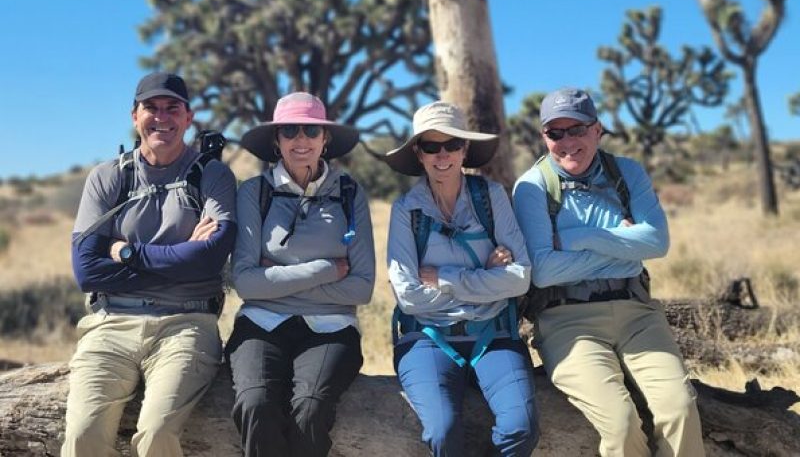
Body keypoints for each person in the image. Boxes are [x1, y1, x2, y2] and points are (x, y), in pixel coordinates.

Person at [513, 87, 704, 457]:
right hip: (567, 321)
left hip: (638, 314)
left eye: (577, 129)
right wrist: (624, 249)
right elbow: (544, 272)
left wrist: (578, 237)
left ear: (597, 129)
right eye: (556, 133)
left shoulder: (626, 173)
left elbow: (657, 243)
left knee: (679, 408)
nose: (567, 141)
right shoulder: (533, 187)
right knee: (620, 422)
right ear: (543, 137)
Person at [63, 72, 237, 457]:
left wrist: (127, 252)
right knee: (81, 436)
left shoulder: (212, 175)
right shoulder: (109, 177)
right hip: (109, 324)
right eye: (151, 108)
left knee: (157, 432)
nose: (162, 117)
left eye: (172, 108)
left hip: (187, 324)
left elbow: (209, 259)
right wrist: (181, 255)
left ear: (188, 117)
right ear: (134, 115)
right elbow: (87, 270)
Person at [384, 101, 539, 457]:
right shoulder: (405, 211)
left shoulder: (492, 197)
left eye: (452, 144)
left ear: (465, 149)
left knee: (521, 427)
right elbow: (409, 297)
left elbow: (520, 279)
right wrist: (486, 278)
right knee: (442, 430)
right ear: (418, 153)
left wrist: (447, 278)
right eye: (431, 146)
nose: (443, 156)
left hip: (494, 336)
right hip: (426, 339)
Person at [227, 92, 376, 457]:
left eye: (311, 130)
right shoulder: (255, 192)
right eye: (290, 130)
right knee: (255, 404)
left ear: (325, 140)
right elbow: (244, 281)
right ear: (276, 140)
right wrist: (326, 270)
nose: (301, 139)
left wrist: (275, 281)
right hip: (261, 323)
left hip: (332, 327)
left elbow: (362, 287)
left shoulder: (348, 193)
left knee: (310, 409)